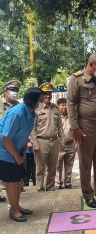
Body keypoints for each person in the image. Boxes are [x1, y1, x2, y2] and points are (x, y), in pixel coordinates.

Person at [67, 53, 96, 208]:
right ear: (91, 65)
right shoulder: (76, 79)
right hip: (86, 125)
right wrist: (75, 127)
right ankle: (88, 194)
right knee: (86, 163)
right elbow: (70, 104)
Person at [0, 87, 45, 222]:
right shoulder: (17, 113)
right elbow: (6, 138)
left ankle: (16, 206)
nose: (42, 102)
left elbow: (24, 133)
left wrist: (24, 151)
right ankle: (14, 211)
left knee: (18, 179)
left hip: (16, 150)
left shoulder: (31, 113)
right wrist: (17, 156)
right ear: (34, 101)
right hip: (5, 151)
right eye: (41, 100)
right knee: (12, 181)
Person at [29, 83, 65, 192]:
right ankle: (40, 188)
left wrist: (62, 141)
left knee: (52, 168)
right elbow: (32, 128)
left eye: (49, 93)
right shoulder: (36, 109)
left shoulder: (55, 109)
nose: (47, 95)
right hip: (41, 141)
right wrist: (34, 143)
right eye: (45, 93)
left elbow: (60, 127)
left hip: (54, 141)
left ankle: (50, 188)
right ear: (41, 94)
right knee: (40, 168)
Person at [0, 80, 21, 202]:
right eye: (12, 91)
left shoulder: (18, 106)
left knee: (11, 172)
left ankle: (13, 200)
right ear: (5, 91)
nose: (15, 93)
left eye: (16, 91)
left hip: (13, 143)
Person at [55, 98, 76, 189]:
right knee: (57, 165)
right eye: (62, 105)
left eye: (65, 105)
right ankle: (58, 183)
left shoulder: (73, 117)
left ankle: (68, 182)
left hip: (71, 144)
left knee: (69, 165)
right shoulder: (56, 117)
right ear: (58, 106)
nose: (64, 107)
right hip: (59, 145)